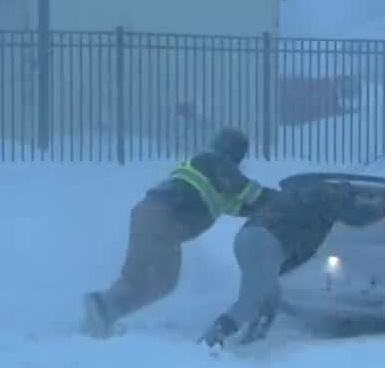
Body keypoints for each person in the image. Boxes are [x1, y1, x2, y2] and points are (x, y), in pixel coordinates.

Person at [83, 127, 265, 337]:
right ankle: (104, 308)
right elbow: (249, 191)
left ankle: (101, 310)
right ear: (234, 154)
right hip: (164, 222)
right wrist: (270, 197)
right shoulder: (214, 162)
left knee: (136, 277)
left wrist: (273, 206)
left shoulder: (215, 178)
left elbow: (242, 204)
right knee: (163, 282)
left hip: (145, 214)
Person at [200, 179, 385, 347]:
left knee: (269, 294)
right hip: (267, 243)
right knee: (251, 301)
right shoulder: (329, 197)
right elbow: (358, 216)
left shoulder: (298, 194)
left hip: (246, 237)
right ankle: (210, 341)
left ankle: (253, 338)